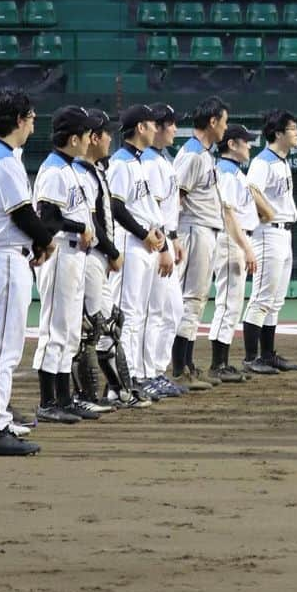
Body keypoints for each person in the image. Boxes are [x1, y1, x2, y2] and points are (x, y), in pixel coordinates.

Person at [0, 89, 53, 455]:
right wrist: (46, 242)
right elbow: (22, 214)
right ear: (18, 119)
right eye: (30, 119)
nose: (32, 125)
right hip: (3, 258)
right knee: (2, 349)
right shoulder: (5, 159)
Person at [32, 106, 104, 424]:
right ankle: (49, 401)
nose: (91, 138)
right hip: (59, 252)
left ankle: (64, 398)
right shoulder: (52, 171)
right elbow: (48, 218)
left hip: (75, 255)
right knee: (55, 330)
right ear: (73, 138)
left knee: (70, 331)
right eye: (87, 134)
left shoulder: (72, 169)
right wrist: (80, 228)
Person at [74, 109, 143, 410]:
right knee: (89, 328)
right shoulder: (79, 172)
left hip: (98, 257)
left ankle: (118, 391)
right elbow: (92, 221)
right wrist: (112, 252)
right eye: (104, 133)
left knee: (110, 324)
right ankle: (82, 397)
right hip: (89, 256)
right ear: (92, 138)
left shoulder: (97, 169)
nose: (109, 138)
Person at [108, 103, 167, 401]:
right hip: (130, 244)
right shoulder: (120, 162)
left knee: (139, 314)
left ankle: (134, 377)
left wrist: (155, 233)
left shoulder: (139, 161)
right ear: (140, 128)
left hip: (143, 243)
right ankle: (122, 381)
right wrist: (144, 234)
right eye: (152, 123)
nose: (157, 128)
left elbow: (141, 206)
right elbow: (116, 207)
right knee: (128, 316)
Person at [171, 96, 229, 389]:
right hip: (193, 231)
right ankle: (179, 368)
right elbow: (176, 198)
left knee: (196, 300)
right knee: (189, 300)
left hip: (204, 230)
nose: (226, 127)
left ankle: (188, 364)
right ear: (213, 121)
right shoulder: (192, 155)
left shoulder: (204, 154)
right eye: (224, 121)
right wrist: (173, 236)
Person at [242, 110, 297, 373]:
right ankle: (251, 358)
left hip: (284, 234)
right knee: (261, 298)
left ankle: (268, 355)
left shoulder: (281, 160)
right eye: (293, 129)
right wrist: (267, 211)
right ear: (278, 133)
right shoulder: (263, 162)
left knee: (275, 299)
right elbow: (251, 189)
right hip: (268, 234)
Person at [139, 103, 186, 399]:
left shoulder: (161, 159)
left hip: (166, 239)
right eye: (170, 124)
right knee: (153, 311)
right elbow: (153, 211)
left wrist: (175, 236)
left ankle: (156, 370)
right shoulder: (149, 162)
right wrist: (165, 244)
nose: (174, 129)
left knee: (171, 311)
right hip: (155, 244)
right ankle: (146, 374)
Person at [208, 124, 261, 380]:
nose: (249, 145)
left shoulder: (235, 172)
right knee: (228, 302)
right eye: (245, 141)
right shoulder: (226, 173)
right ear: (231, 144)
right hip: (231, 240)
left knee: (232, 303)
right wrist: (247, 248)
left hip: (235, 240)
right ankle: (218, 365)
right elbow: (228, 215)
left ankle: (223, 363)